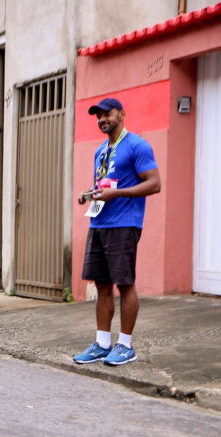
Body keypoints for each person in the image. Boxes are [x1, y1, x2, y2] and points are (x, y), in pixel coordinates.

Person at [74, 97, 161, 367]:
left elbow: (154, 184)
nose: (102, 119)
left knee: (124, 284)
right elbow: (105, 184)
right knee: (102, 284)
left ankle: (125, 345)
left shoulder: (137, 145)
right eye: (98, 116)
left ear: (121, 114)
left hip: (124, 224)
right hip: (99, 223)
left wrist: (117, 194)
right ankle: (102, 344)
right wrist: (89, 194)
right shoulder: (101, 151)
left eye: (107, 114)